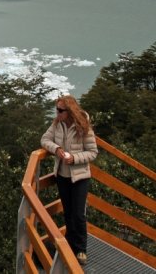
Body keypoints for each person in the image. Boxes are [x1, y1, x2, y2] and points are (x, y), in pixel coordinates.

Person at [41, 95, 98, 266]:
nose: (57, 113)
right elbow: (44, 140)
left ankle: (81, 249)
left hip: (80, 176)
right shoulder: (57, 124)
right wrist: (56, 148)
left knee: (78, 214)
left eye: (60, 110)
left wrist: (74, 158)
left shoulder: (83, 126)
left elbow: (93, 152)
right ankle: (70, 246)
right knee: (68, 212)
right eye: (56, 110)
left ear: (70, 110)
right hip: (62, 176)